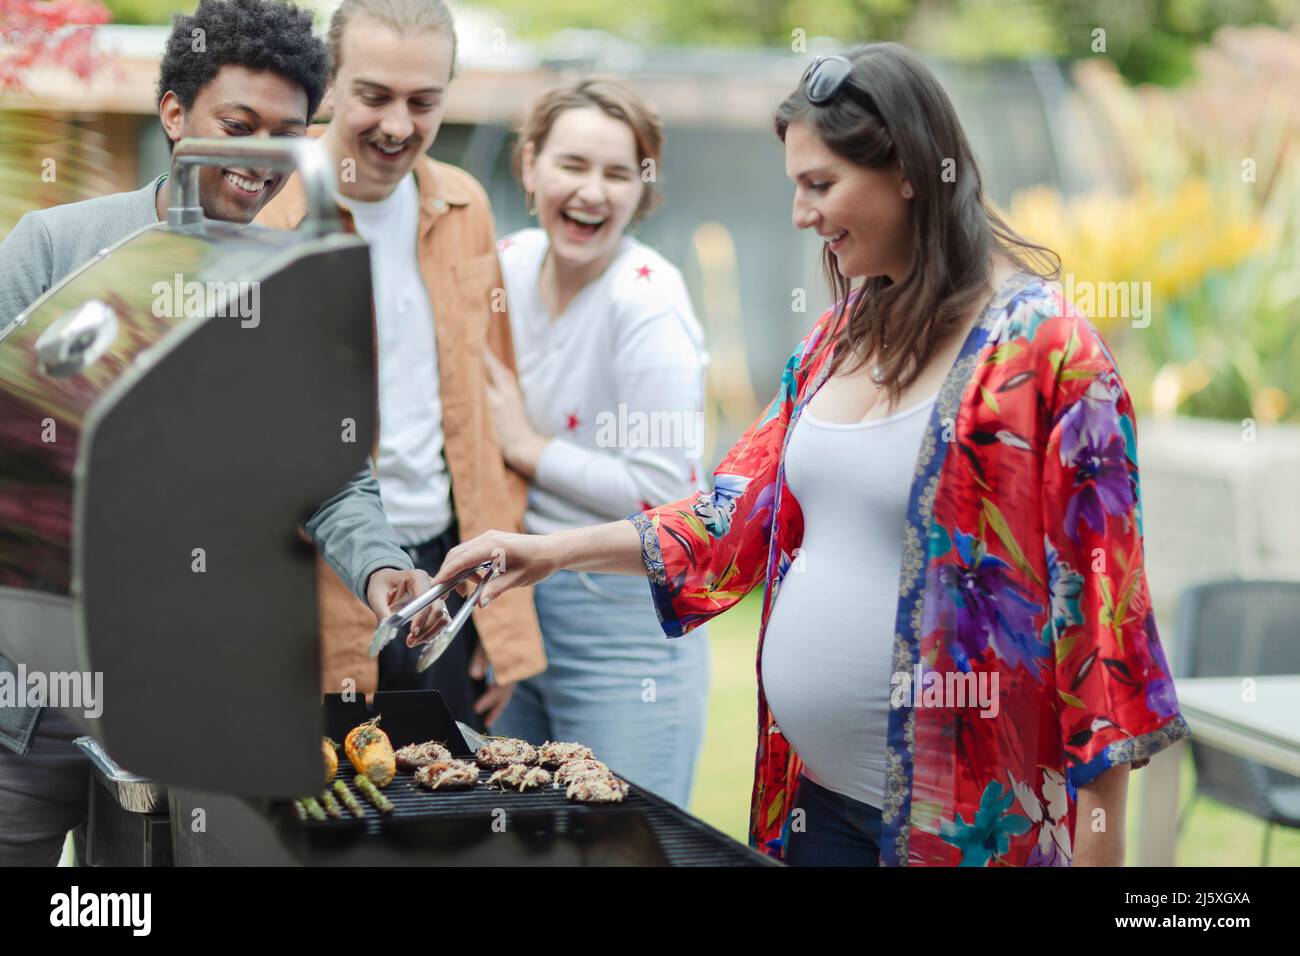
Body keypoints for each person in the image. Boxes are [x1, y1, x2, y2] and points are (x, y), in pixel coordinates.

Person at [432, 43, 1191, 867]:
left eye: (820, 185)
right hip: (813, 812)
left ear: (907, 170)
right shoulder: (842, 333)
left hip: (968, 835)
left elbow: (1106, 645)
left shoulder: (1049, 356)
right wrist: (544, 553)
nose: (800, 213)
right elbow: (729, 519)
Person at [0, 0, 431, 867]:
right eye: (236, 125)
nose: (256, 161)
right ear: (174, 113)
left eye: (284, 134)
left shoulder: (296, 285)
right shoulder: (55, 248)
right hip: (32, 698)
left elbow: (334, 474)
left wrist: (383, 569)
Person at [257, 0, 545, 730]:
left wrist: (497, 623)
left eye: (423, 101)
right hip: (306, 591)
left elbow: (485, 417)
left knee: (445, 825)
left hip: (447, 586)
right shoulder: (265, 217)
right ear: (327, 85)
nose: (397, 125)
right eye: (375, 95)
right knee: (317, 826)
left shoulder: (465, 204)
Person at [483, 79, 709, 808]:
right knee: (512, 837)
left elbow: (668, 497)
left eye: (619, 174)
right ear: (529, 167)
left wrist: (527, 444)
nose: (593, 192)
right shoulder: (504, 266)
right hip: (513, 601)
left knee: (622, 844)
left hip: (623, 620)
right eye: (572, 165)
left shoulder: (647, 299)